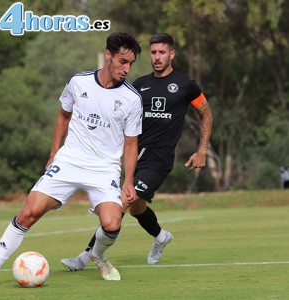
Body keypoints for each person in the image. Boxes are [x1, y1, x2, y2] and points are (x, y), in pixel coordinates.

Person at [0, 32, 143, 289]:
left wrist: (129, 181)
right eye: (123, 61)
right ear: (108, 55)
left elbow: (131, 143)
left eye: (131, 64)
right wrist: (54, 152)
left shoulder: (132, 98)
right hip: (69, 162)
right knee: (28, 213)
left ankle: (97, 255)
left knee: (112, 224)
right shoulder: (79, 83)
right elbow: (62, 117)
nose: (127, 68)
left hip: (104, 168)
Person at [61, 33, 213, 271]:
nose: (157, 57)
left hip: (159, 159)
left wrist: (202, 150)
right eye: (153, 53)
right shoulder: (139, 85)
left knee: (121, 203)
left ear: (172, 54)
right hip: (135, 157)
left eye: (162, 52)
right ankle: (161, 236)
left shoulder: (186, 86)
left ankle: (85, 257)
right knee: (137, 208)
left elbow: (206, 114)